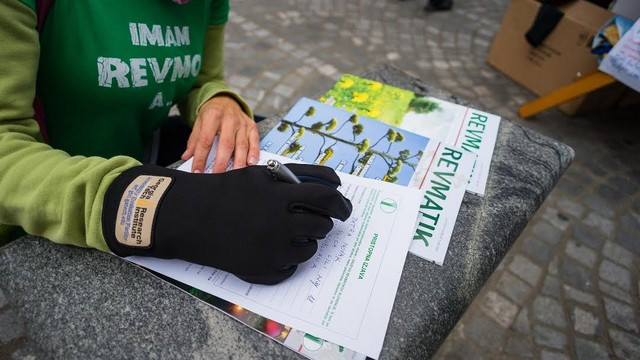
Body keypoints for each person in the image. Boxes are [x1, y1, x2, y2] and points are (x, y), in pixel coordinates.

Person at [0, 0, 352, 285]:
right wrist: (176, 211)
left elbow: (203, 78)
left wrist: (219, 98)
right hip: (32, 229)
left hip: (141, 163)